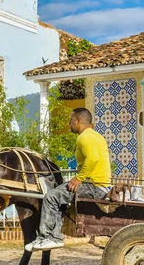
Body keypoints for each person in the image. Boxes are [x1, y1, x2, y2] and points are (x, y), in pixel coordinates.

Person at [26, 107, 111, 251]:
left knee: (51, 196)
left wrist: (78, 179)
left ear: (78, 121)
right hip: (100, 185)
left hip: (94, 186)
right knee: (60, 198)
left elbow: (93, 159)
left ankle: (48, 238)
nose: (69, 123)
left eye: (71, 120)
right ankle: (54, 237)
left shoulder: (84, 137)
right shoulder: (96, 136)